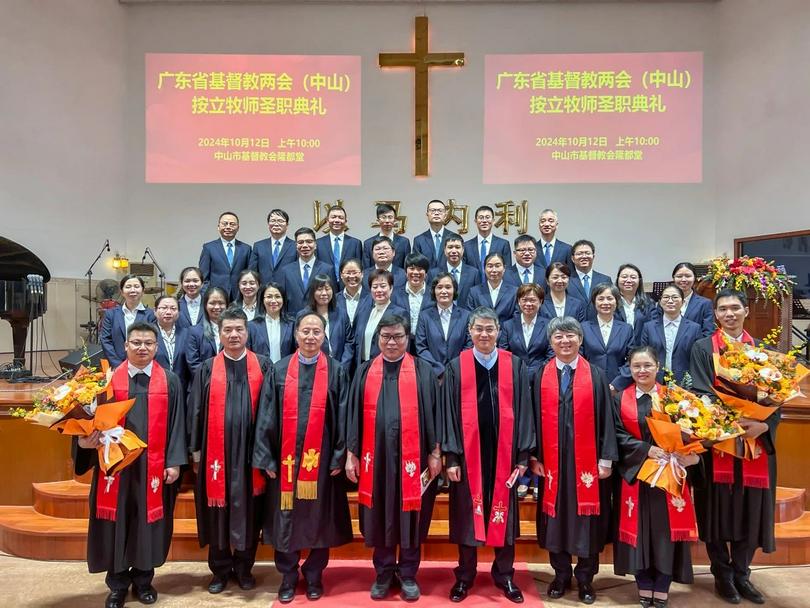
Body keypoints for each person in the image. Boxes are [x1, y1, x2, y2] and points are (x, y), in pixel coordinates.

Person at [74, 322, 186, 608]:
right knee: (116, 523)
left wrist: (173, 462)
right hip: (116, 468)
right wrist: (83, 443)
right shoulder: (107, 380)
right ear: (125, 345)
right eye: (136, 342)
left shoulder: (170, 380)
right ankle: (118, 584)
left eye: (148, 343)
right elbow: (87, 424)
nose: (142, 348)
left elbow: (177, 425)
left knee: (147, 523)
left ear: (157, 347)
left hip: (152, 468)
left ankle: (144, 580)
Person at [253, 312, 353, 603]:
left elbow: (344, 417)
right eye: (305, 331)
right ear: (295, 335)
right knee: (285, 518)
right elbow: (266, 416)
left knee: (318, 520)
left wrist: (338, 456)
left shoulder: (336, 371)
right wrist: (267, 458)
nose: (311, 337)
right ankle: (287, 576)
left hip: (320, 465)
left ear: (324, 336)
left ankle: (313, 576)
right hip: (285, 463)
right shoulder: (279, 370)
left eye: (316, 332)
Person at [689, 289, 778, 605]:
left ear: (745, 311)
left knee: (750, 511)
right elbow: (701, 391)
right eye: (723, 309)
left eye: (735, 308)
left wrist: (764, 424)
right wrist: (729, 423)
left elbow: (777, 396)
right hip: (719, 445)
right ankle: (721, 575)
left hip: (756, 444)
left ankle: (742, 573)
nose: (729, 313)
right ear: (715, 314)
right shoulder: (702, 349)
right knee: (715, 510)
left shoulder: (763, 352)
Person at [346, 313, 442, 601]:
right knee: (381, 515)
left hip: (413, 462)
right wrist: (351, 455)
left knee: (411, 516)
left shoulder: (423, 371)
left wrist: (435, 453)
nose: (391, 342)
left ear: (407, 338)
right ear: (377, 339)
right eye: (385, 336)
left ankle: (409, 573)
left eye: (397, 336)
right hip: (376, 462)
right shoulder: (364, 371)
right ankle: (384, 572)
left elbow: (435, 416)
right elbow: (351, 416)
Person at [442, 307, 534, 604]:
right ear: (469, 332)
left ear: (499, 332)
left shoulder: (514, 365)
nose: (484, 334)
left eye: (489, 329)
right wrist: (452, 458)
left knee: (503, 517)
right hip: (468, 459)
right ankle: (465, 575)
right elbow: (449, 415)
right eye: (478, 329)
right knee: (469, 515)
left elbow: (525, 413)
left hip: (505, 456)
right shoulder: (457, 366)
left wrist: (522, 456)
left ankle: (505, 575)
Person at [531, 316, 617, 604]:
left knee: (586, 522)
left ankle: (585, 578)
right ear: (550, 341)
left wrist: (606, 459)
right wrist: (534, 457)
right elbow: (531, 420)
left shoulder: (596, 375)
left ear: (581, 340)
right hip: (552, 465)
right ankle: (560, 575)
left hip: (587, 466)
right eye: (558, 336)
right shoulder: (539, 375)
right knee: (556, 520)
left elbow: (607, 420)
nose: (564, 341)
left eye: (570, 336)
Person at [187, 308, 273, 594]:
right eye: (227, 330)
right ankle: (220, 569)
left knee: (250, 511)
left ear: (247, 333)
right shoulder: (208, 368)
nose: (233, 335)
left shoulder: (263, 365)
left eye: (239, 329)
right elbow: (196, 411)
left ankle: (244, 567)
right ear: (218, 334)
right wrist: (196, 452)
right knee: (218, 511)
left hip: (252, 456)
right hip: (217, 456)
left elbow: (272, 412)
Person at [614, 346, 701, 608]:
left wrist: (691, 455)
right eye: (636, 366)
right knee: (640, 531)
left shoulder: (675, 399)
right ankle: (643, 582)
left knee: (664, 532)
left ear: (657, 367)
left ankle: (663, 582)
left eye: (647, 366)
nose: (641, 371)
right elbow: (616, 435)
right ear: (629, 369)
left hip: (669, 476)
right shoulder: (620, 399)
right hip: (637, 473)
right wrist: (646, 449)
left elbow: (694, 432)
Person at [639, 285, 702, 386]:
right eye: (666, 297)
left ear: (683, 302)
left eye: (675, 297)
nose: (670, 301)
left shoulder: (694, 328)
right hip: (655, 381)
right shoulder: (649, 327)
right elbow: (644, 355)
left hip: (684, 382)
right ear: (660, 302)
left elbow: (697, 360)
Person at [415, 272, 472, 379]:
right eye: (439, 287)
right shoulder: (424, 316)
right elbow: (421, 347)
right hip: (432, 375)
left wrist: (454, 368)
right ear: (434, 291)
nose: (444, 291)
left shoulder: (466, 315)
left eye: (448, 287)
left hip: (459, 374)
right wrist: (439, 370)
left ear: (454, 290)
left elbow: (469, 345)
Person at [581, 283, 635, 391]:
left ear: (616, 302)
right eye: (601, 299)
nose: (605, 303)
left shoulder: (626, 329)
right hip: (589, 386)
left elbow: (632, 360)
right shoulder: (583, 328)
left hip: (618, 388)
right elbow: (579, 358)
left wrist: (616, 385)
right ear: (594, 302)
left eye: (610, 298)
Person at [351, 269, 409, 366]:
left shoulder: (400, 313)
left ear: (391, 288)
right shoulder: (363, 312)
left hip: (387, 367)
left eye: (383, 286)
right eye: (375, 287)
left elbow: (404, 346)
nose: (379, 290)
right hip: (362, 366)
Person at [100, 274, 157, 368]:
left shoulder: (151, 315)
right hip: (116, 365)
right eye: (128, 287)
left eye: (136, 286)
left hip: (143, 365)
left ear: (143, 291)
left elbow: (153, 341)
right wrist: (117, 364)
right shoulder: (111, 314)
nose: (132, 290)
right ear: (122, 292)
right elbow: (105, 340)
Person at [499, 283, 552, 378]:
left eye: (532, 300)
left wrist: (539, 373)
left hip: (541, 376)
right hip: (514, 375)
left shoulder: (549, 325)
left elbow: (551, 353)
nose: (528, 304)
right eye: (524, 300)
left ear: (540, 302)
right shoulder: (508, 325)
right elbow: (503, 353)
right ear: (519, 301)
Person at [199, 211, 251, 300]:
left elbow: (249, 274)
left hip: (239, 297)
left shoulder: (246, 249)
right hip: (216, 297)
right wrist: (207, 295)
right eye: (225, 224)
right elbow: (204, 277)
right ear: (218, 227)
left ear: (238, 228)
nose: (228, 227)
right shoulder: (209, 248)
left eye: (232, 224)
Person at [278, 227, 332, 314]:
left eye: (309, 241)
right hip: (292, 321)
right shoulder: (286, 271)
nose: (305, 245)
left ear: (315, 245)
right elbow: (282, 299)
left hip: (319, 320)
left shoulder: (327, 269)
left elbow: (332, 299)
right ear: (296, 246)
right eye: (300, 242)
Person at [305, 273, 354, 366]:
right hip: (313, 367)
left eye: (327, 289)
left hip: (340, 367)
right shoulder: (304, 316)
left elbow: (349, 342)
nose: (324, 293)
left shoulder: (341, 313)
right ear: (313, 292)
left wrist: (342, 366)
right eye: (320, 289)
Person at [315, 205, 363, 286]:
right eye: (333, 217)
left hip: (349, 286)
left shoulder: (355, 243)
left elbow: (359, 268)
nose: (337, 220)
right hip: (325, 287)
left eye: (340, 217)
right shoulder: (318, 243)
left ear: (345, 221)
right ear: (327, 220)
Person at [247, 283, 295, 363]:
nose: (273, 300)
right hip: (260, 372)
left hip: (285, 372)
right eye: (269, 297)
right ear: (262, 300)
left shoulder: (292, 324)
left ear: (283, 299)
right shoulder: (252, 326)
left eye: (277, 296)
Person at [185, 287, 229, 375]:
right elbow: (193, 363)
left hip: (230, 383)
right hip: (202, 383)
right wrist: (213, 378)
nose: (217, 307)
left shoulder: (233, 331)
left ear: (227, 305)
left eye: (221, 303)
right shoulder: (194, 331)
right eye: (212, 303)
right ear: (205, 305)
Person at [465, 252, 518, 325]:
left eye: (497, 266)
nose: (494, 270)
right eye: (490, 266)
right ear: (484, 269)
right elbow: (470, 319)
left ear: (504, 268)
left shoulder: (514, 292)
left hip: (507, 335)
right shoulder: (474, 292)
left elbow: (516, 319)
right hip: (481, 334)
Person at [249, 209, 298, 285]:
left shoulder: (295, 246)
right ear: (268, 224)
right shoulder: (258, 246)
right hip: (264, 292)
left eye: (280, 221)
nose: (276, 224)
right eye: (273, 221)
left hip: (287, 291)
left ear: (287, 225)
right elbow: (252, 272)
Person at [427, 235, 480, 306]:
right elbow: (431, 299)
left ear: (463, 250)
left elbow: (477, 299)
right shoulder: (434, 273)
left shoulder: (474, 273)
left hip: (467, 315)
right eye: (450, 247)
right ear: (445, 250)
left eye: (457, 247)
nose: (454, 251)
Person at [462, 205, 512, 280]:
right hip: (473, 289)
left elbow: (507, 271)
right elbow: (465, 271)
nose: (484, 221)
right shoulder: (466, 246)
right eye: (481, 218)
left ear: (493, 221)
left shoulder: (503, 244)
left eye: (487, 217)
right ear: (475, 221)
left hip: (496, 287)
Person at [154, 295, 190, 393]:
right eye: (164, 308)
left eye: (173, 308)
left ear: (178, 313)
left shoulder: (186, 333)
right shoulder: (148, 333)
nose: (168, 312)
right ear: (155, 311)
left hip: (181, 388)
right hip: (154, 387)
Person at [568, 240, 612, 320]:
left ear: (593, 256)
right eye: (579, 254)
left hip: (598, 327)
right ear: (572, 258)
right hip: (574, 328)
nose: (584, 256)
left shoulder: (605, 280)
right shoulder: (567, 281)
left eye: (587, 253)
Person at [669, 262, 715, 337]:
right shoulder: (665, 302)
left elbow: (708, 332)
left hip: (695, 347)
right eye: (679, 276)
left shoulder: (705, 303)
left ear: (694, 278)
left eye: (688, 276)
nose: (683, 279)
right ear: (673, 278)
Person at [411, 199, 460, 269]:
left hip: (448, 278)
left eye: (440, 210)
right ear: (427, 214)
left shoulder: (455, 238)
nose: (436, 213)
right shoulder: (419, 240)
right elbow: (417, 264)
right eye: (433, 210)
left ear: (445, 215)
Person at [392, 252, 430, 336]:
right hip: (402, 342)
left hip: (426, 342)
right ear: (405, 272)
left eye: (420, 269)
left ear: (426, 273)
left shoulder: (433, 295)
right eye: (412, 268)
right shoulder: (394, 294)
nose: (416, 272)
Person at [362, 203, 411, 268]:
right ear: (378, 221)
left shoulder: (404, 242)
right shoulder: (368, 243)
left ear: (395, 220)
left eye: (390, 217)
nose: (387, 221)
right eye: (384, 217)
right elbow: (366, 269)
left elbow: (407, 267)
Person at [614, 263, 654, 343]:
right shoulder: (611, 303)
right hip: (616, 350)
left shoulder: (648, 304)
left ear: (639, 281)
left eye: (633, 277)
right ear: (618, 279)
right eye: (624, 277)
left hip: (641, 350)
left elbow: (653, 329)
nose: (628, 280)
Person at [335, 258, 367, 326]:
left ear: (362, 274)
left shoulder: (371, 298)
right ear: (341, 275)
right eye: (348, 273)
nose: (352, 276)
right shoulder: (335, 299)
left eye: (355, 272)